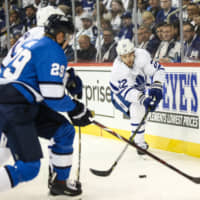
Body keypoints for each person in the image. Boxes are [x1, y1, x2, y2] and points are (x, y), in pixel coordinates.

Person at [0, 14, 92, 199]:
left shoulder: (35, 43)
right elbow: (53, 96)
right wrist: (76, 109)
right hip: (14, 108)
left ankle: (59, 183)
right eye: (68, 36)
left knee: (64, 131)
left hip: (24, 103)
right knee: (29, 167)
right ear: (60, 36)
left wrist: (66, 79)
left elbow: (32, 75)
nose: (68, 41)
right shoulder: (53, 50)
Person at [109, 39, 165, 155]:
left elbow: (159, 70)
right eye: (125, 57)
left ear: (134, 52)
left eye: (130, 55)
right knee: (137, 107)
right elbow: (129, 93)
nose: (128, 59)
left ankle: (137, 139)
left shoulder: (142, 55)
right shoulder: (119, 69)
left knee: (140, 109)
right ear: (120, 57)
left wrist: (157, 86)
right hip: (119, 94)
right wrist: (144, 99)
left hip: (138, 88)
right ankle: (139, 143)